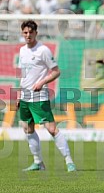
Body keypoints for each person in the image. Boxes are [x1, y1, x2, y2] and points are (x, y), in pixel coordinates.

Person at [17, 20, 76, 172]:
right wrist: (18, 94)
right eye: (25, 32)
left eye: (31, 32)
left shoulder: (43, 50)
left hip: (39, 97)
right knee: (27, 128)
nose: (28, 35)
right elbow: (22, 74)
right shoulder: (23, 51)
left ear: (36, 33)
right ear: (22, 33)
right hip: (25, 96)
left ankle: (69, 161)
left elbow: (56, 71)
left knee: (51, 129)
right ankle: (38, 163)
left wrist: (42, 82)